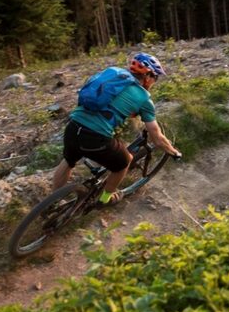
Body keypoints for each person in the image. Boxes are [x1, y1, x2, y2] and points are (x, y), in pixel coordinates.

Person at [52, 52, 181, 204]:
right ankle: (106, 198)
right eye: (155, 78)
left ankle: (52, 202)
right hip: (95, 138)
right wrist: (173, 152)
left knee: (69, 160)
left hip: (73, 127)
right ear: (148, 76)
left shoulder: (113, 76)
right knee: (125, 161)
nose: (154, 81)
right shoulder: (144, 99)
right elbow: (157, 138)